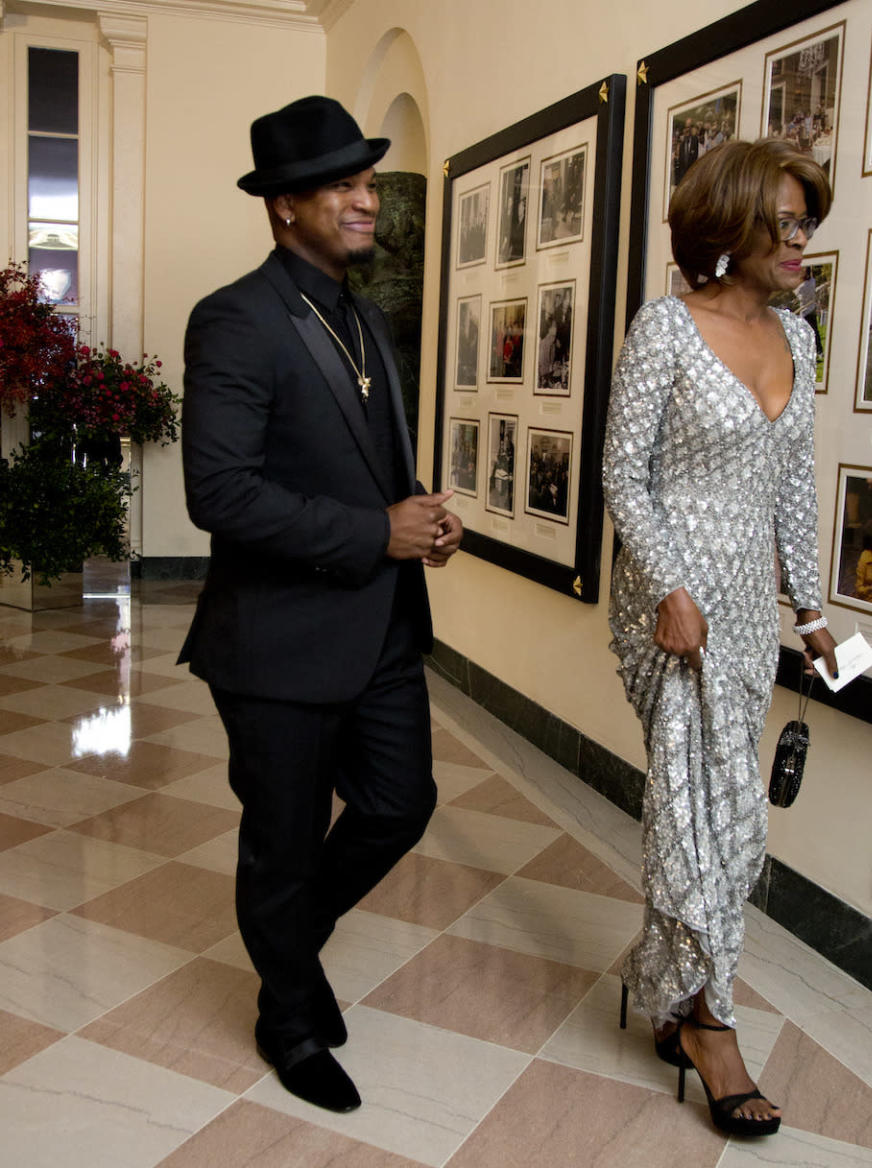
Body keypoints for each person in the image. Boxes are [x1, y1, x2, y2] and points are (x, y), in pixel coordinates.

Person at [178, 96, 463, 1114]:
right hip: (277, 642)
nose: (363, 198)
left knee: (399, 803)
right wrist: (370, 532)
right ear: (283, 206)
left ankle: (290, 945)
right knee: (286, 842)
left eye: (368, 180)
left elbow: (365, 464)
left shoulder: (366, 315)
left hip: (381, 624)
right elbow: (219, 493)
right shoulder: (236, 317)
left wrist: (419, 515)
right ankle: (287, 1015)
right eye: (340, 184)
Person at [603, 137, 838, 1138]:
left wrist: (816, 611)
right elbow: (624, 476)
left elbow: (792, 488)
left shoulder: (801, 340)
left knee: (708, 816)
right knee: (717, 821)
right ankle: (714, 1025)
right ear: (731, 222)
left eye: (806, 222)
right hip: (671, 612)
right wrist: (668, 584)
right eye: (783, 220)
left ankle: (663, 985)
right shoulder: (665, 328)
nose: (799, 240)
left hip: (745, 617)